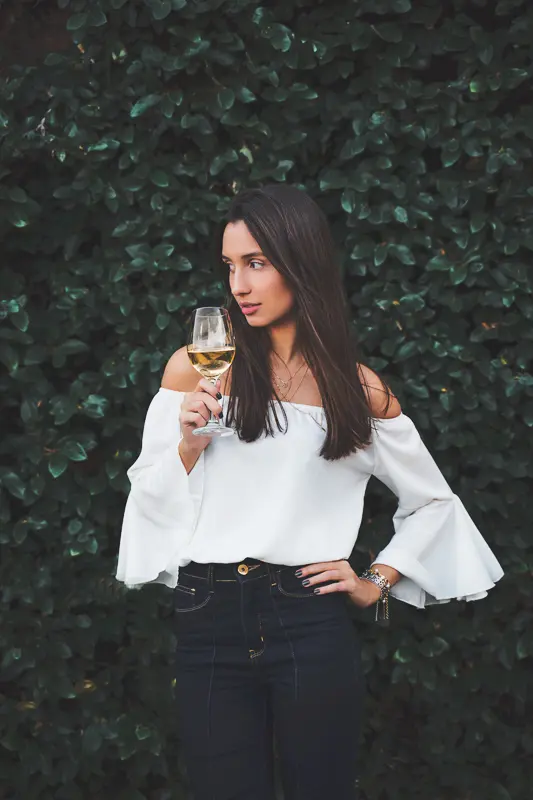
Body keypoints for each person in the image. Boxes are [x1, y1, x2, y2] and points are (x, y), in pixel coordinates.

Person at [116, 184, 504, 800]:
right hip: (208, 616)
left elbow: (434, 502)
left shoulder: (358, 390)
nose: (239, 285)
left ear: (301, 263)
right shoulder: (196, 368)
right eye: (230, 267)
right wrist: (188, 444)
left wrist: (374, 580)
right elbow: (148, 498)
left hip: (307, 619)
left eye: (257, 263)